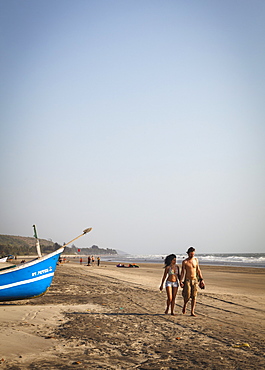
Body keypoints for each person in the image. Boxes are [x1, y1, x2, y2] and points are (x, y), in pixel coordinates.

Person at [180, 246, 205, 316]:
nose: (192, 255)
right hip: (187, 280)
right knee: (187, 296)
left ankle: (192, 311)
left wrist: (201, 280)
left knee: (194, 296)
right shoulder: (185, 262)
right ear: (188, 254)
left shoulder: (196, 260)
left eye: (193, 254)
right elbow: (182, 272)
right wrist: (181, 281)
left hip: (195, 280)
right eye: (191, 254)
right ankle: (185, 305)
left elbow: (198, 270)